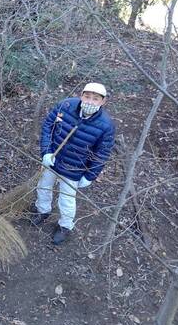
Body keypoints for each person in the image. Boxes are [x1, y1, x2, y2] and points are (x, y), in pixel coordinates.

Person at [31, 83, 115, 245]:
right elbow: (48, 125)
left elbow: (102, 154)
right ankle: (43, 210)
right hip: (53, 160)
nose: (90, 102)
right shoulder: (66, 105)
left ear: (103, 102)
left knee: (67, 199)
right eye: (87, 97)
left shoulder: (106, 125)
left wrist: (90, 175)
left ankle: (65, 226)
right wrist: (46, 152)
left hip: (74, 168)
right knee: (43, 186)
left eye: (95, 99)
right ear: (81, 95)